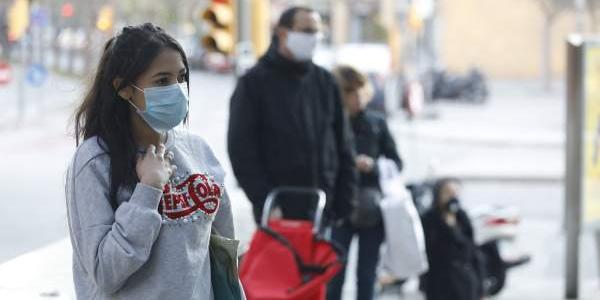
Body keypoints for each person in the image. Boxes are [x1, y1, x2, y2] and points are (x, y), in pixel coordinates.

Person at [66, 23, 237, 299]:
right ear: (124, 89)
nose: (178, 89)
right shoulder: (95, 161)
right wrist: (148, 191)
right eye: (162, 81)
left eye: (181, 77)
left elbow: (224, 255)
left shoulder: (198, 151)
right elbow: (104, 273)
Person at [228, 7, 357, 224]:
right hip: (277, 213)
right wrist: (265, 201)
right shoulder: (254, 83)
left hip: (324, 211)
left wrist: (344, 202)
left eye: (317, 32)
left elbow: (343, 144)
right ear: (282, 33)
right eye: (306, 30)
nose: (313, 37)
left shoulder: (325, 82)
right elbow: (241, 150)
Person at [327, 65, 403, 300]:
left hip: (373, 208)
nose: (357, 98)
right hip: (341, 208)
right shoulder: (331, 124)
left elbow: (397, 162)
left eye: (361, 91)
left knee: (367, 274)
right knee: (334, 272)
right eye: (351, 92)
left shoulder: (377, 123)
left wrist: (373, 165)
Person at [421, 178, 486, 300]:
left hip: (465, 282)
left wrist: (481, 288)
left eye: (455, 193)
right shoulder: (429, 219)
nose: (452, 197)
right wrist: (446, 226)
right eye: (448, 193)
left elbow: (472, 251)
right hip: (439, 284)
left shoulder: (462, 217)